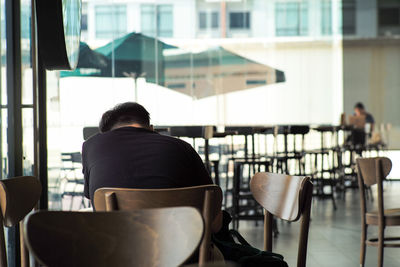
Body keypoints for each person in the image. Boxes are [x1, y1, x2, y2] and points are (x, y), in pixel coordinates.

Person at [82, 102, 214, 202]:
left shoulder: (91, 145)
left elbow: (91, 196)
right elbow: (211, 198)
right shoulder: (182, 146)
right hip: (173, 235)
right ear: (151, 128)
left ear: (107, 134)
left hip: (111, 235)